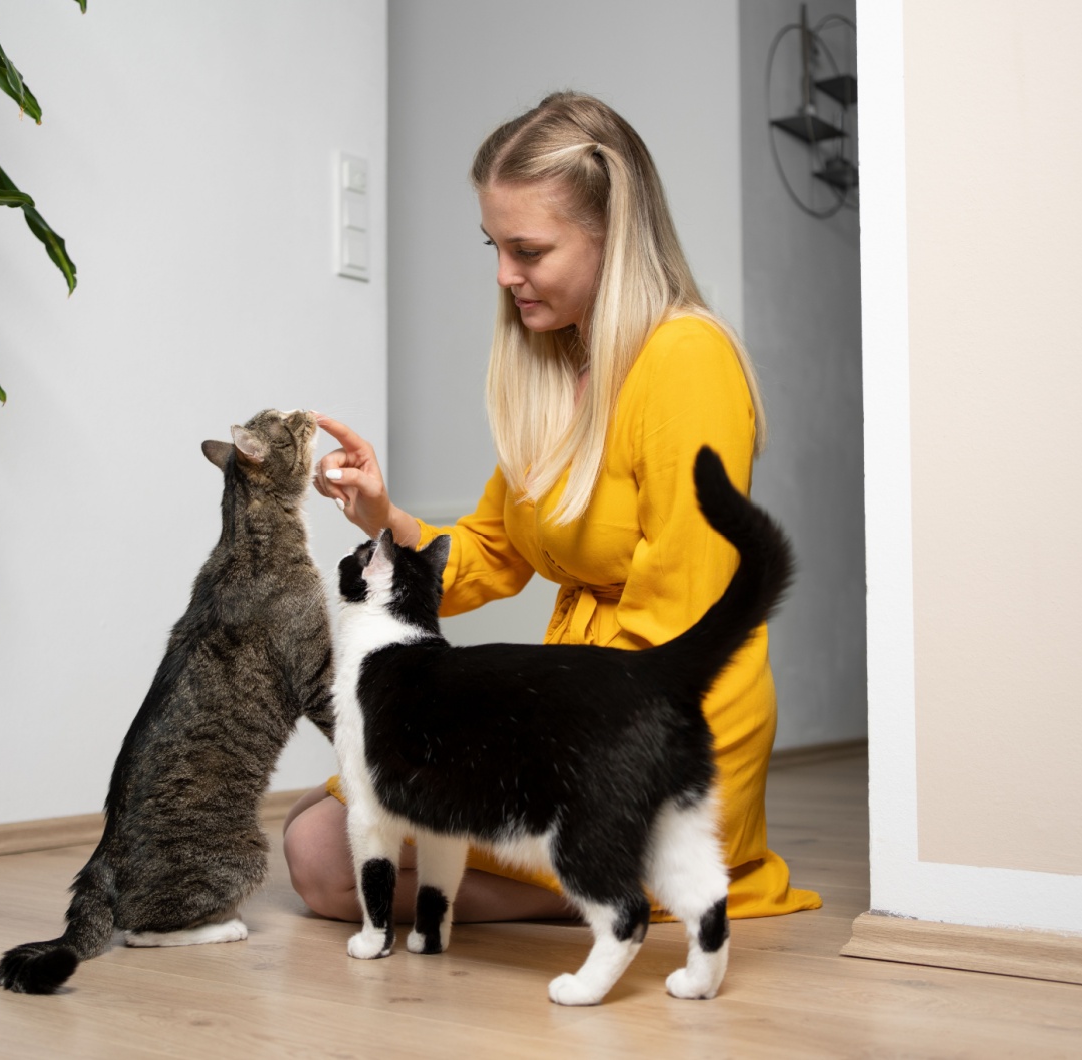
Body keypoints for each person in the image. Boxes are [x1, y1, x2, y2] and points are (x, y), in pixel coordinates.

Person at [282, 91, 821, 925]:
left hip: (651, 712)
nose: (504, 275)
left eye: (528, 249)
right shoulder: (554, 371)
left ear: (615, 236)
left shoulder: (687, 361)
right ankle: (605, 885)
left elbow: (686, 613)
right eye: (494, 247)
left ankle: (618, 872)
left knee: (331, 849)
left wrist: (511, 731)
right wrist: (383, 516)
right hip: (574, 698)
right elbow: (493, 553)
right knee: (326, 843)